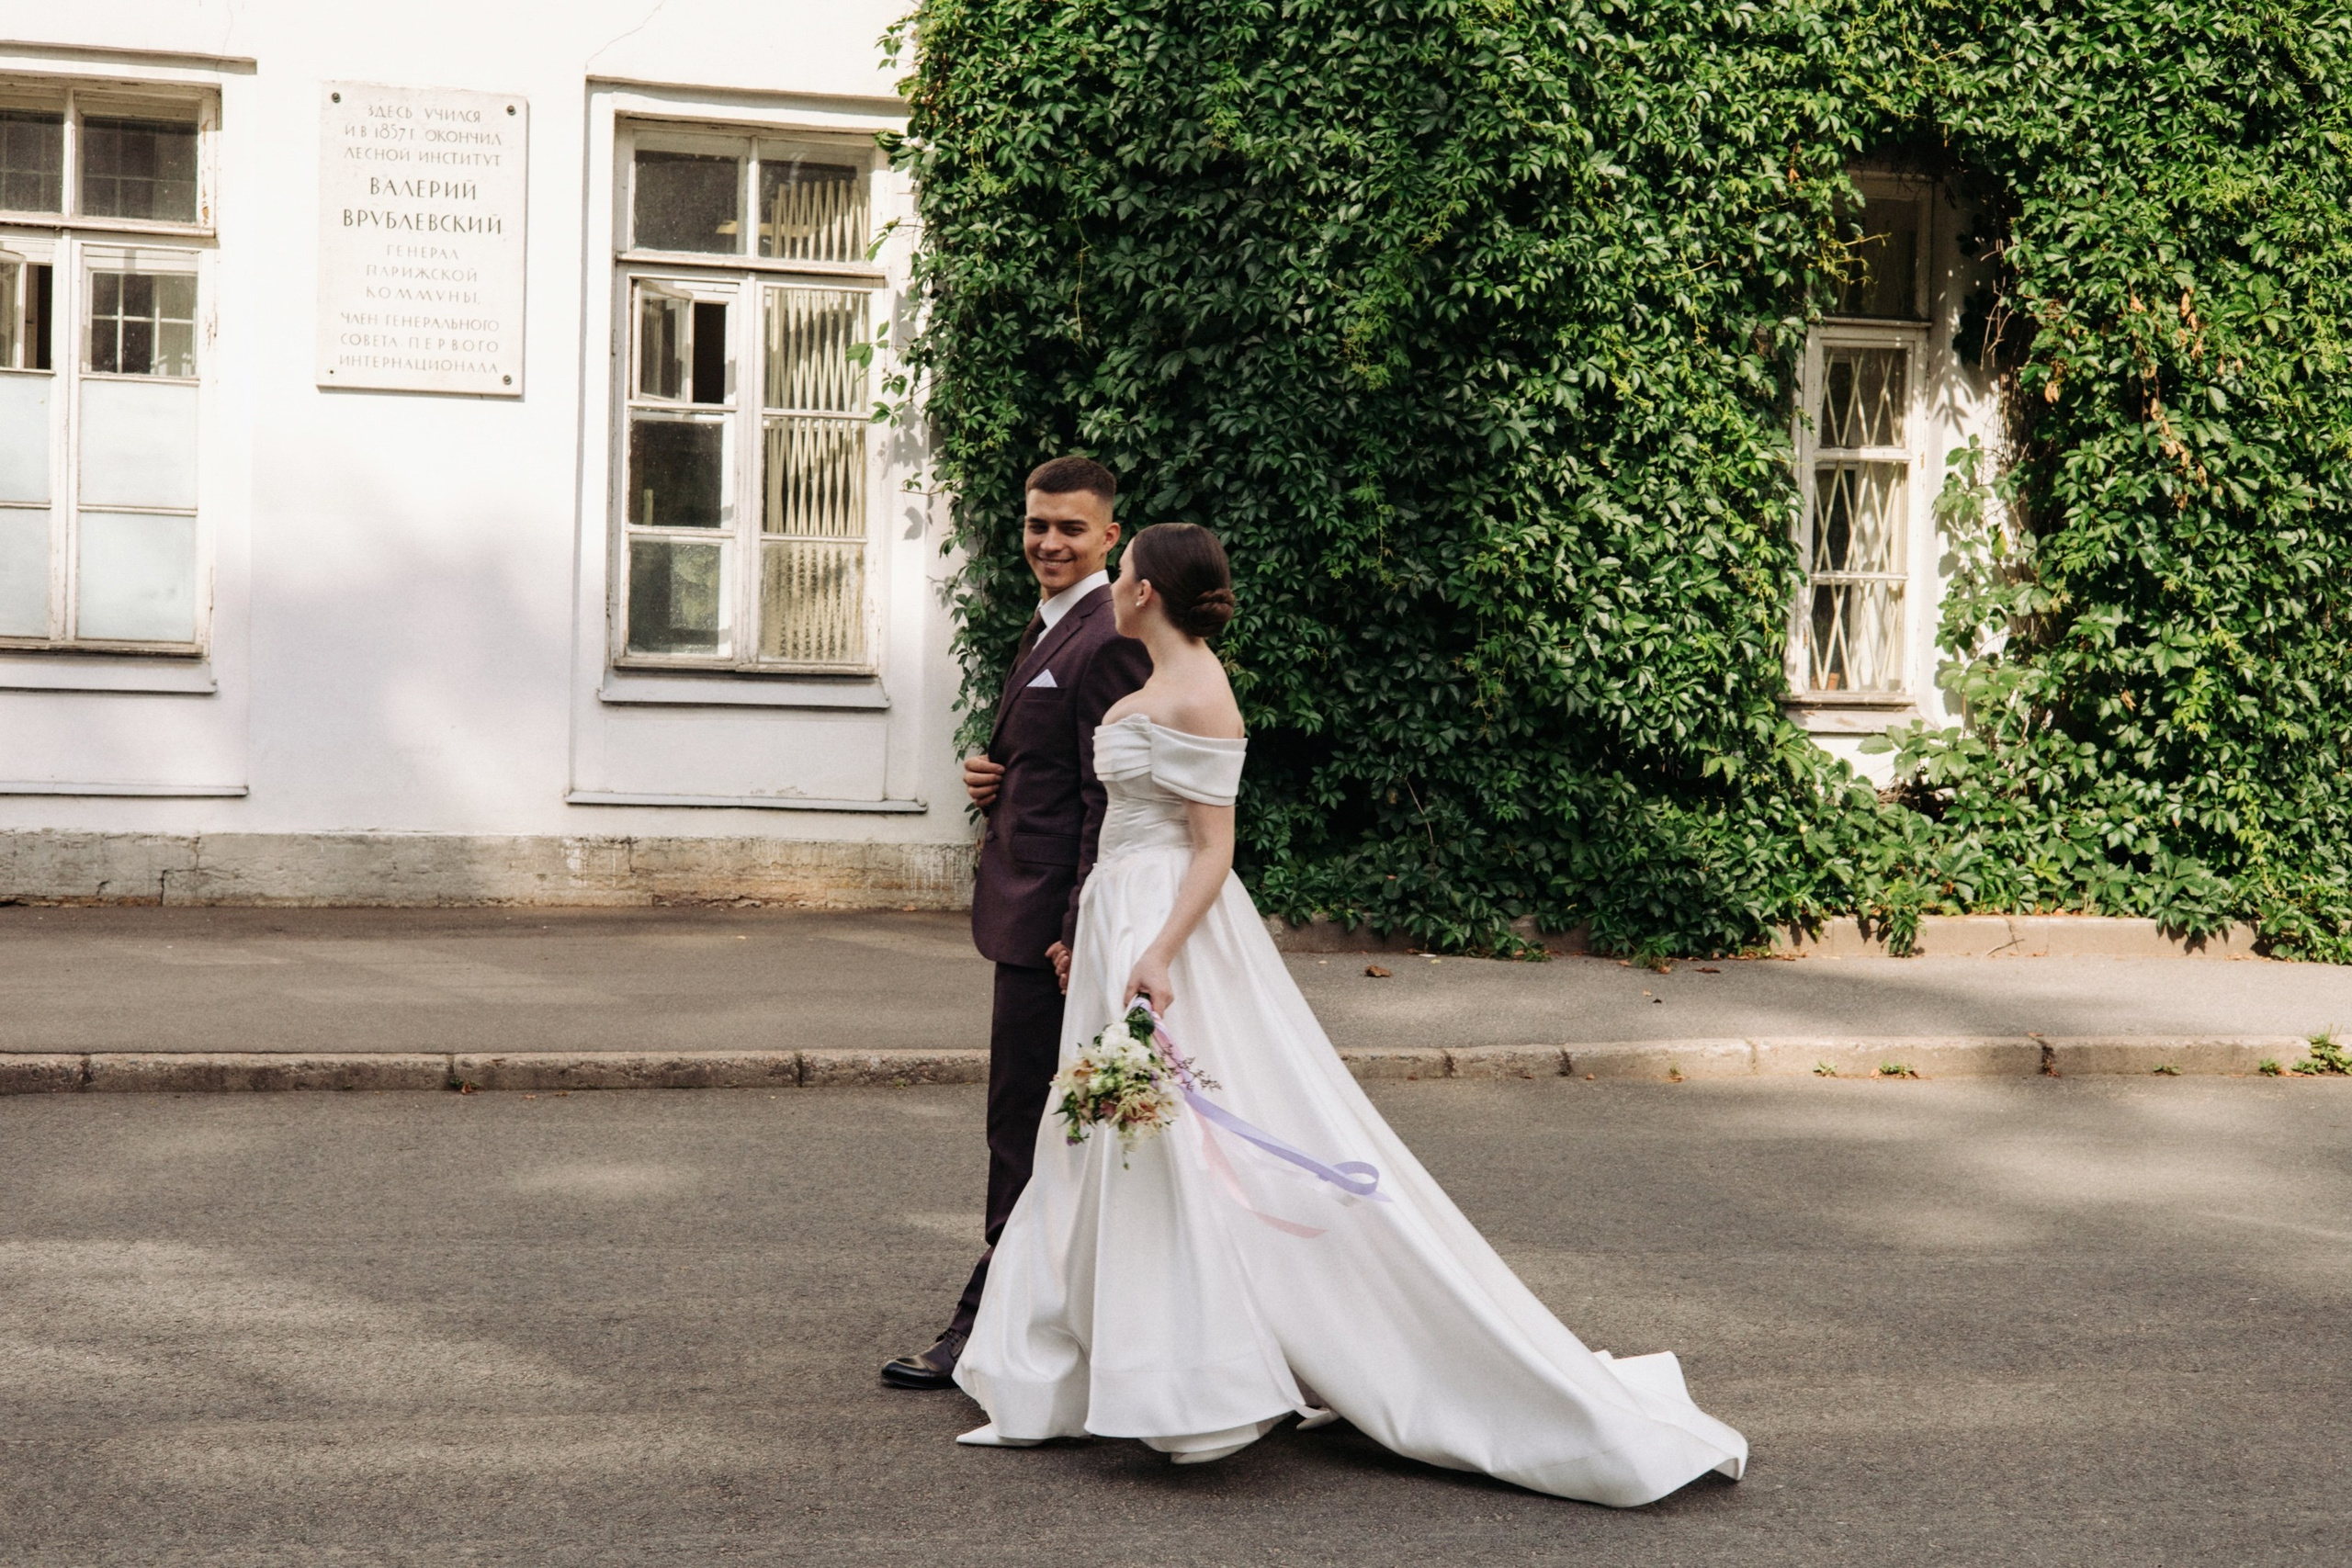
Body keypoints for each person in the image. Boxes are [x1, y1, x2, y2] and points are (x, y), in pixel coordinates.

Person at [948, 523, 1749, 1506]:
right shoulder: (1154, 680)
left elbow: (1212, 849)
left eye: (1119, 573)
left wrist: (1156, 950)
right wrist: (1094, 925)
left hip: (1164, 923)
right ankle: (1073, 1372)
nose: (1108, 586)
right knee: (1106, 1139)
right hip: (1120, 909)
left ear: (1147, 589)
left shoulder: (1197, 689)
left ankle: (1196, 1390)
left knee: (1169, 1137)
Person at [881, 457, 1153, 1391]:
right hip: (1031, 909)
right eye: (1038, 524)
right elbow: (1047, 759)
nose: (1048, 541)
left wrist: (1076, 926)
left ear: (1109, 536)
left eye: (1071, 529)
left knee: (1022, 1129)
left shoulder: (1108, 634)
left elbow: (1105, 796)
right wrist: (988, 773)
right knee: (1037, 1125)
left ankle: (981, 1326)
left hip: (1053, 931)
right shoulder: (1052, 626)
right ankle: (1044, 1316)